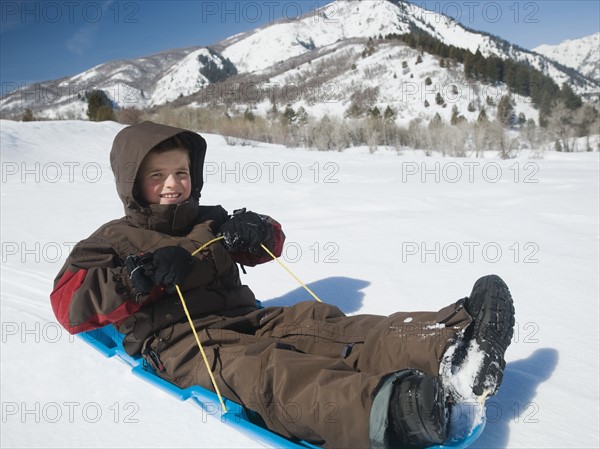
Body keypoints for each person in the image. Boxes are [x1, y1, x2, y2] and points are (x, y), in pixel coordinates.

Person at [50, 121, 515, 449]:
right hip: (182, 345)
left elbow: (266, 245)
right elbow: (68, 305)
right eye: (158, 176)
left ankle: (453, 349)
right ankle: (391, 410)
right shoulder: (112, 238)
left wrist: (257, 229)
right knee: (265, 371)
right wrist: (138, 276)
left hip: (252, 315)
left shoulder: (209, 219)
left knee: (325, 325)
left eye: (182, 173)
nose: (174, 184)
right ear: (133, 182)